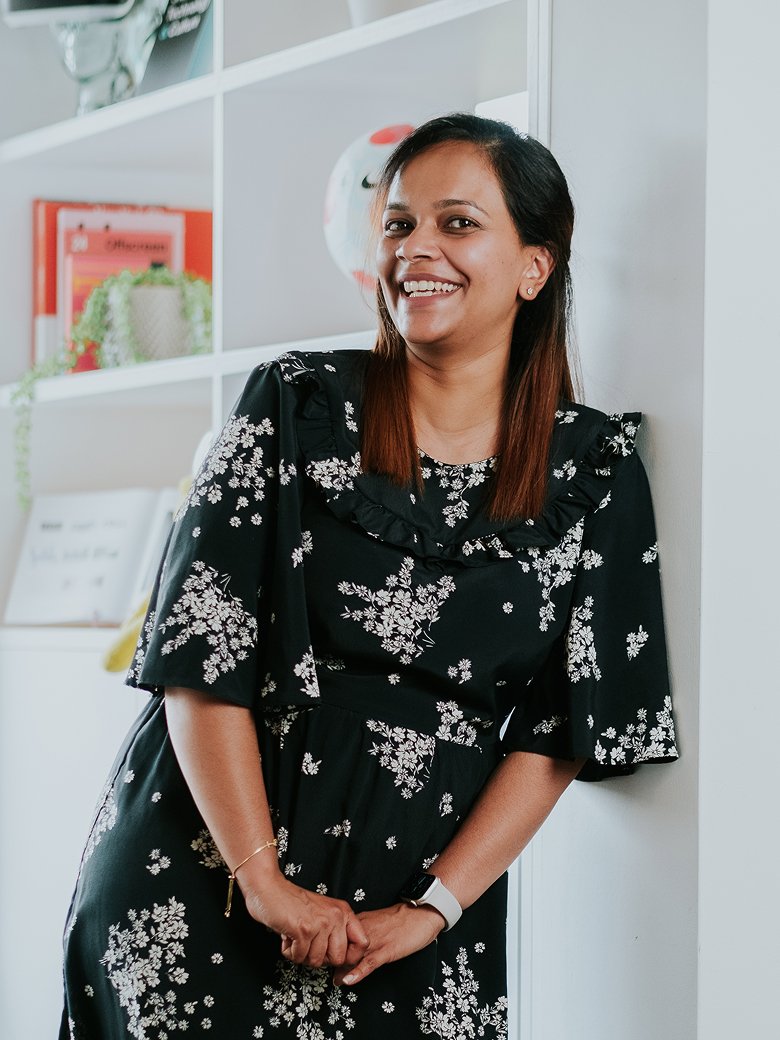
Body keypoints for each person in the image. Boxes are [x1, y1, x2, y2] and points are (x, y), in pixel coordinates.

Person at [59, 112, 679, 1039]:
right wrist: (262, 882)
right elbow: (199, 655)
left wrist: (435, 909)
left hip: (414, 926)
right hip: (202, 883)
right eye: (397, 223)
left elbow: (564, 727)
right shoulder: (293, 401)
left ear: (534, 267)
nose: (416, 248)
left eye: (457, 222)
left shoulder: (592, 471)